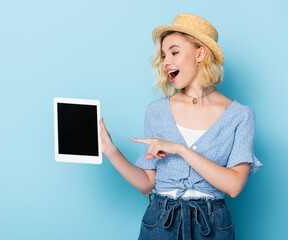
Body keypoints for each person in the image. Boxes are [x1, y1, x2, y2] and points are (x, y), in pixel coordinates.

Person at [99, 13, 263, 240]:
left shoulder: (241, 116)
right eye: (164, 55)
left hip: (212, 225)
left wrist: (181, 149)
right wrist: (110, 150)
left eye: (175, 52)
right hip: (160, 220)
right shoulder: (157, 111)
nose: (166, 62)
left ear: (200, 53)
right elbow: (148, 184)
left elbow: (234, 185)